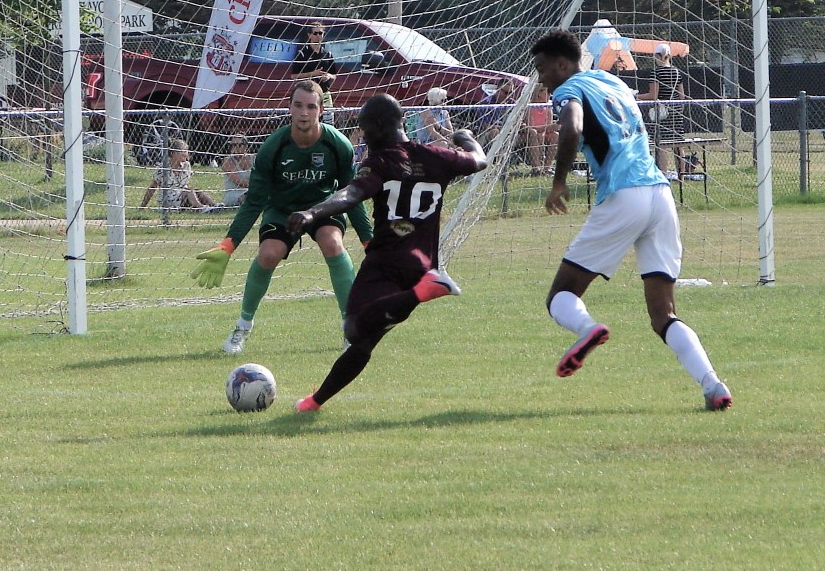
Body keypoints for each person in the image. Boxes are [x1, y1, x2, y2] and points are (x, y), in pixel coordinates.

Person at [529, 28, 732, 411]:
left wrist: (558, 182)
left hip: (624, 194)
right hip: (660, 194)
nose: (541, 79)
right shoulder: (614, 82)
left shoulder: (569, 89)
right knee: (663, 314)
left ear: (562, 64)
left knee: (561, 295)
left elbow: (572, 126)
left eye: (542, 69)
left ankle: (588, 330)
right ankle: (714, 386)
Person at [290, 94, 488, 412]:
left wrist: (313, 213)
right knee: (366, 341)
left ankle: (426, 291)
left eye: (365, 128)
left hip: (386, 261)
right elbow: (478, 160)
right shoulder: (436, 156)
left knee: (354, 328)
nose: (364, 136)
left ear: (380, 126)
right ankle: (314, 402)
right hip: (421, 264)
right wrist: (465, 138)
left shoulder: (381, 161)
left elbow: (352, 194)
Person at [191, 80, 373, 354]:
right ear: (289, 108)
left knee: (333, 243)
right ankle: (243, 326)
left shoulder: (338, 145)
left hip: (323, 207)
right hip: (282, 210)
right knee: (268, 254)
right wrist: (228, 246)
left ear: (321, 110)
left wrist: (369, 242)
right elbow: (254, 202)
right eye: (298, 105)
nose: (304, 113)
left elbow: (351, 196)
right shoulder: (272, 147)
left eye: (310, 107)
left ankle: (351, 328)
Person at [637, 42, 687, 180]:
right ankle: (681, 177)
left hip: (663, 113)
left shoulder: (656, 72)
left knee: (663, 144)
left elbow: (653, 95)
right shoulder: (677, 72)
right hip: (676, 110)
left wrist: (636, 96)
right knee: (678, 144)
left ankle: (663, 176)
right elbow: (681, 96)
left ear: (656, 56)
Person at [140, 138, 219, 211]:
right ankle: (201, 208)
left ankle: (215, 206)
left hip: (183, 196)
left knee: (198, 192)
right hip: (169, 200)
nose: (186, 154)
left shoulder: (186, 166)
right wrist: (142, 206)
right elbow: (152, 187)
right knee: (189, 191)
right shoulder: (163, 169)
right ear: (174, 153)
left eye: (187, 151)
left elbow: (185, 185)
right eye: (184, 151)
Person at [291, 21, 339, 126]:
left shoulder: (327, 54)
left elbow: (334, 74)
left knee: (328, 124)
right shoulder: (302, 54)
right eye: (315, 33)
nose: (318, 36)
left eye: (320, 33)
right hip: (307, 93)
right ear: (309, 35)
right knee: (309, 122)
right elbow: (294, 76)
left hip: (325, 93)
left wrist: (328, 76)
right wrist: (313, 74)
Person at [220, 135, 252, 207]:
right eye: (233, 145)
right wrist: (257, 185)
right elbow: (238, 181)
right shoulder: (227, 161)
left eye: (239, 145)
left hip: (252, 190)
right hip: (235, 193)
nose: (235, 148)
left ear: (246, 146)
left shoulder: (253, 159)